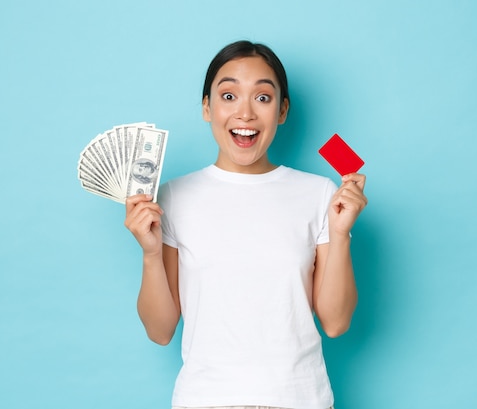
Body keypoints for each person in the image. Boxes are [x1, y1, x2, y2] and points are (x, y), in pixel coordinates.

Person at [124, 40, 368, 409]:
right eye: (228, 96)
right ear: (207, 107)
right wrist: (150, 253)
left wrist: (340, 233)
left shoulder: (318, 193)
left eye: (263, 98)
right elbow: (160, 332)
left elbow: (335, 323)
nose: (246, 113)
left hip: (299, 399)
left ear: (283, 110)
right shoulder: (173, 197)